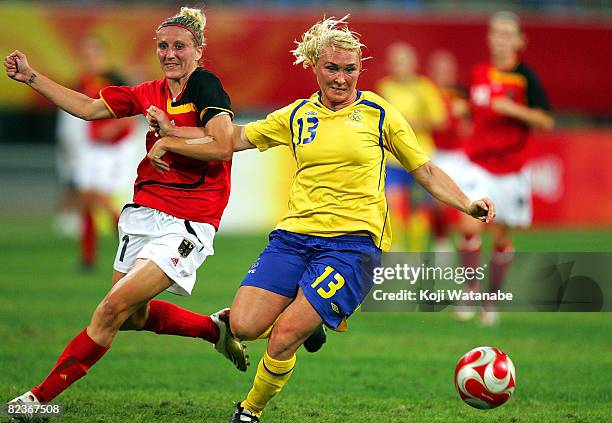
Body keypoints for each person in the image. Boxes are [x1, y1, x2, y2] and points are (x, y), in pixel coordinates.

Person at [157, 16, 495, 422]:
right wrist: (174, 132)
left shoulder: (379, 113)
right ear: (315, 66)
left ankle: (249, 410)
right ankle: (309, 320)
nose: (341, 78)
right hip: (293, 238)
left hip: (351, 246)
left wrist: (466, 203)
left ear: (360, 70)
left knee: (282, 337)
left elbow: (424, 170)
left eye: (349, 69)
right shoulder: (298, 115)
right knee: (244, 326)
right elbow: (236, 139)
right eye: (332, 68)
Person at [4, 7, 248, 419]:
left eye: (180, 47)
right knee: (133, 316)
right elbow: (86, 108)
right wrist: (31, 77)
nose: (171, 54)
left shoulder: (206, 87)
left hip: (188, 222)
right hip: (144, 212)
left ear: (199, 51)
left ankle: (37, 400)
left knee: (109, 310)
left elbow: (222, 144)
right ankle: (214, 329)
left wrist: (169, 138)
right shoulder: (149, 91)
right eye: (164, 46)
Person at [455, 11, 554, 325]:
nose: (499, 39)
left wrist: (513, 109)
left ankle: (491, 299)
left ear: (519, 40)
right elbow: (474, 110)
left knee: (500, 236)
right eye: (495, 33)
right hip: (478, 164)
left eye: (506, 33)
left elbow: (546, 120)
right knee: (469, 225)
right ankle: (470, 290)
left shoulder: (526, 77)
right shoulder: (479, 73)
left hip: (511, 169)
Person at [67, 34, 137, 269]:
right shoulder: (85, 80)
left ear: (102, 54)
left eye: (92, 53)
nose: (88, 59)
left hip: (114, 149)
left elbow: (132, 114)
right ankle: (88, 258)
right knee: (86, 199)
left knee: (103, 200)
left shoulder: (115, 78)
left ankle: (128, 246)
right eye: (84, 55)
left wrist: (113, 128)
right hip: (92, 147)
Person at [376, 42, 448, 251]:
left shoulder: (424, 88)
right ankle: (397, 247)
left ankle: (415, 252)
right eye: (395, 62)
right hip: (393, 158)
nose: (398, 66)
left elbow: (440, 120)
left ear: (412, 64)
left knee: (420, 209)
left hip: (420, 157)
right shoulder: (384, 87)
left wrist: (410, 123)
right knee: (393, 204)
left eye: (402, 61)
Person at [426, 49, 471, 252]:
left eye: (447, 68)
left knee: (465, 201)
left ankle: (467, 242)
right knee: (437, 204)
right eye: (440, 69)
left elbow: (470, 124)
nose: (444, 72)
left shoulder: (460, 95)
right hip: (435, 153)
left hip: (459, 156)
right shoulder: (428, 94)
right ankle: (441, 241)